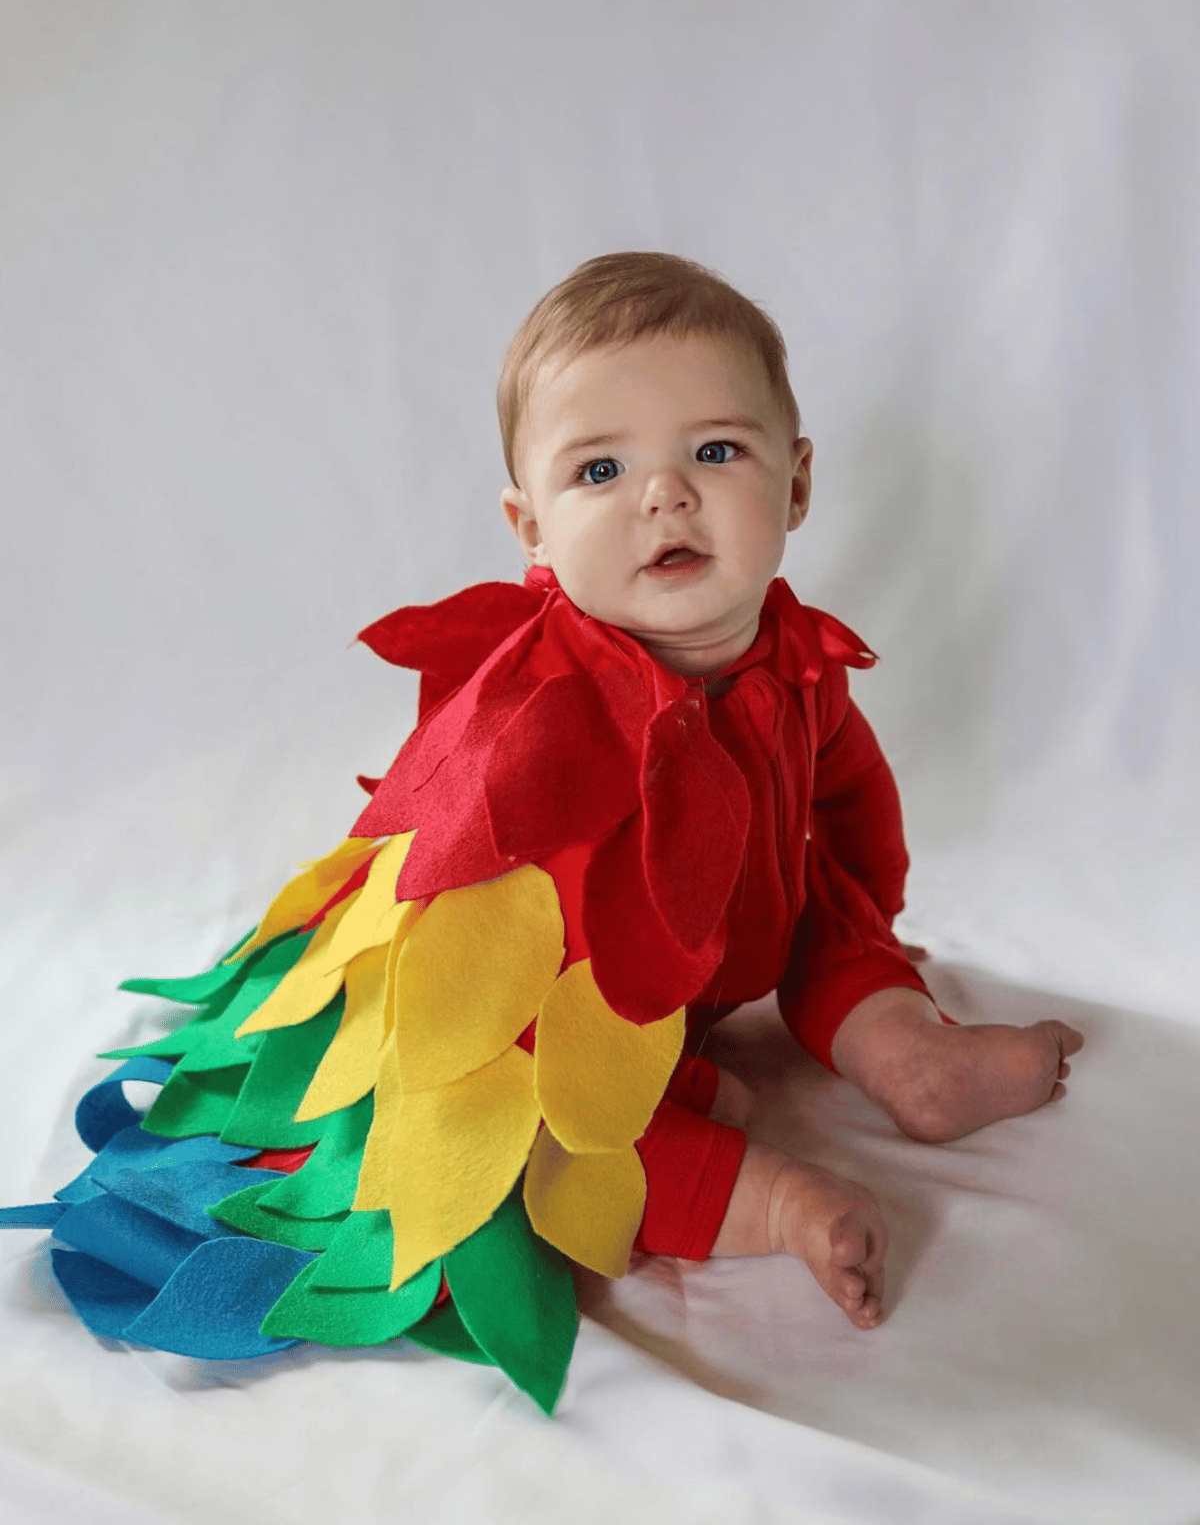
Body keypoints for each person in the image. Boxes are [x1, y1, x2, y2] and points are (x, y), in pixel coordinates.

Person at [0, 251, 1083, 1411]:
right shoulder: (549, 731)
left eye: (715, 451)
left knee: (837, 928)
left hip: (743, 935)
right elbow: (509, 972)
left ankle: (907, 1054)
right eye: (600, 468)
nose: (663, 494)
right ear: (531, 526)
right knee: (553, 1126)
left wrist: (869, 909)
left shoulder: (797, 658)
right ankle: (769, 1202)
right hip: (579, 992)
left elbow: (849, 789)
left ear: (799, 483)